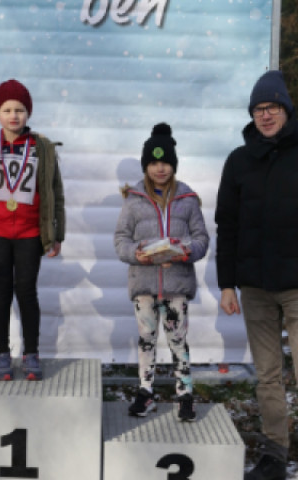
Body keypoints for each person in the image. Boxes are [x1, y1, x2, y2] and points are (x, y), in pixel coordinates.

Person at [216, 70, 298, 480]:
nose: (265, 115)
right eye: (258, 109)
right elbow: (226, 225)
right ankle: (274, 456)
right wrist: (226, 284)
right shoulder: (239, 160)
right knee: (267, 375)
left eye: (272, 107)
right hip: (255, 287)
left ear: (286, 109)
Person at [0, 79, 65, 381]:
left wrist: (56, 234)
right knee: (1, 292)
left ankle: (31, 352)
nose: (14, 115)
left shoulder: (41, 147)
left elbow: (55, 193)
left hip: (30, 233)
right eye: (7, 110)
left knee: (27, 292)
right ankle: (2, 353)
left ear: (28, 112)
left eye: (19, 109)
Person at [114, 123, 209, 421]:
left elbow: (202, 238)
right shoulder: (133, 200)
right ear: (146, 166)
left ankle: (185, 394)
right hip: (144, 285)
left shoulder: (187, 199)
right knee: (146, 339)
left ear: (174, 165)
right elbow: (121, 240)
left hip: (176, 285)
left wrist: (186, 251)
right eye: (154, 163)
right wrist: (136, 253)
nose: (160, 168)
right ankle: (146, 392)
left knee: (178, 339)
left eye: (166, 162)